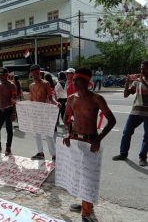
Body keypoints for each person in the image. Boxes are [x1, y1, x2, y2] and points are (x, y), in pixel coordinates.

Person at [63, 67, 116, 222]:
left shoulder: (96, 98)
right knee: (78, 174)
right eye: (72, 80)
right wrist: (67, 134)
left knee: (88, 176)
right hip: (75, 140)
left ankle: (87, 212)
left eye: (76, 80)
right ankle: (85, 203)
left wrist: (98, 139)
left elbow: (112, 121)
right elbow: (66, 118)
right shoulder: (71, 98)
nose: (73, 82)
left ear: (86, 81)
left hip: (90, 141)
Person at [112, 61, 148, 166]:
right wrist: (127, 82)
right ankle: (123, 154)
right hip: (135, 111)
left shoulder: (140, 80)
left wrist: (141, 80)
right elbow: (126, 95)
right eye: (141, 68)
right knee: (126, 132)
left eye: (145, 68)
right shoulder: (136, 81)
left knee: (147, 136)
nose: (142, 71)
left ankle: (142, 157)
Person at [29, 65, 58, 160]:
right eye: (33, 74)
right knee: (37, 134)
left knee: (48, 134)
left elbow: (50, 97)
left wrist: (56, 103)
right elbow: (31, 100)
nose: (35, 75)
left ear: (40, 73)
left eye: (37, 73)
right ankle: (40, 153)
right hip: (35, 113)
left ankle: (54, 154)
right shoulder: (31, 86)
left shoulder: (46, 84)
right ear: (31, 74)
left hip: (44, 112)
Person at [0, 67, 17, 156]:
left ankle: (8, 147)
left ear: (7, 75)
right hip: (0, 110)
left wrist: (14, 112)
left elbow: (14, 99)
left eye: (2, 75)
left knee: (9, 130)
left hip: (9, 110)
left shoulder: (12, 85)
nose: (0, 77)